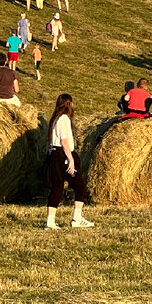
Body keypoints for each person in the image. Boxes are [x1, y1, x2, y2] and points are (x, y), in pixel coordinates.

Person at [44, 94, 93, 229]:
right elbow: (64, 141)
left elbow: (50, 142)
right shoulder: (64, 119)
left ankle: (50, 221)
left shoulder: (55, 119)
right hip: (63, 154)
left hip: (54, 153)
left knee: (57, 187)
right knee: (80, 185)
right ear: (69, 104)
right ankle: (77, 219)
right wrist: (70, 160)